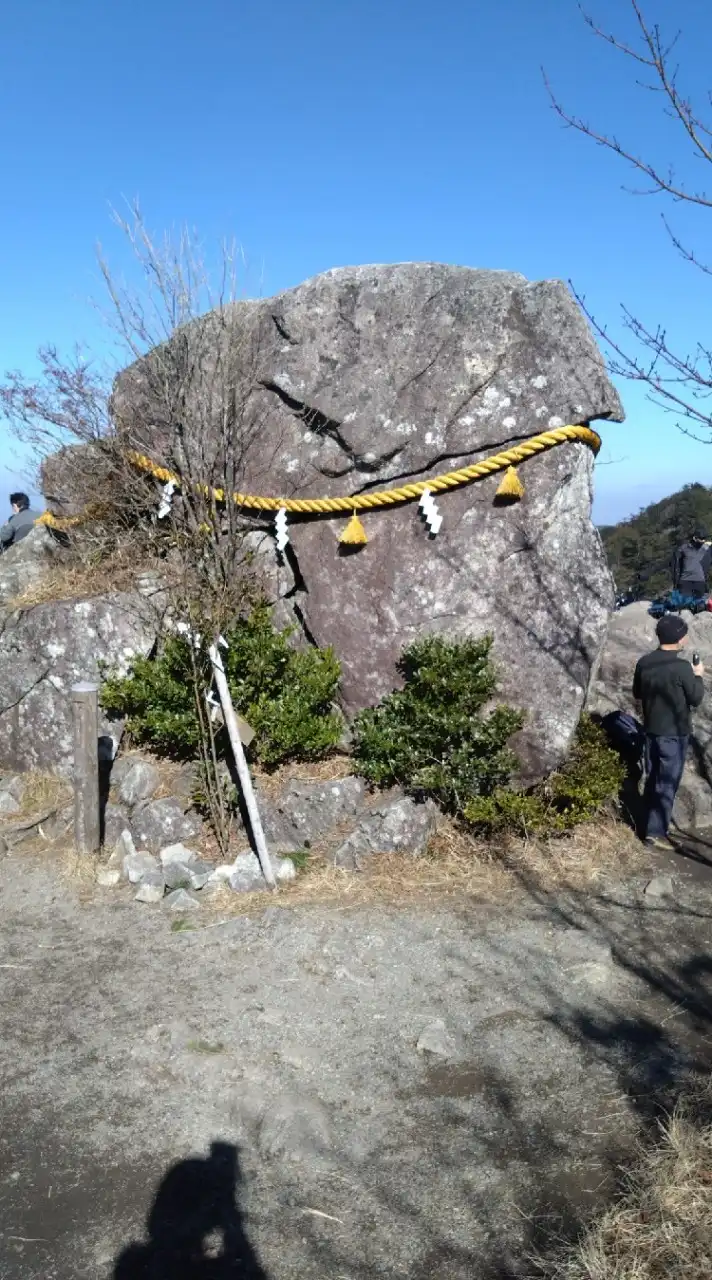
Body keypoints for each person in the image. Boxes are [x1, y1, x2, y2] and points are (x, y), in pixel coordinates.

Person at [633, 614, 705, 850]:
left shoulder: (644, 662)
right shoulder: (682, 667)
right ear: (678, 638)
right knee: (667, 783)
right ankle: (655, 833)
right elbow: (695, 698)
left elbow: (637, 693)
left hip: (650, 731)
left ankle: (647, 825)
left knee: (653, 778)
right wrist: (698, 676)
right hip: (673, 733)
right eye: (684, 634)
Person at [671, 529, 712, 597]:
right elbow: (675, 564)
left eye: (704, 539)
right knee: (684, 604)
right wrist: (676, 582)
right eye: (701, 539)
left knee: (699, 605)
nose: (703, 541)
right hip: (685, 581)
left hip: (700, 581)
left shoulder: (706, 548)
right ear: (694, 538)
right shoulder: (683, 548)